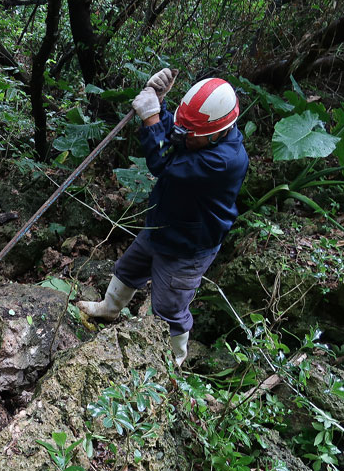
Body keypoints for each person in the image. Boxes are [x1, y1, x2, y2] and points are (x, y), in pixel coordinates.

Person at [77, 69, 249, 366]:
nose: (184, 136)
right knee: (127, 269)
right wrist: (160, 104)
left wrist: (151, 118)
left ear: (219, 132)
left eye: (191, 133)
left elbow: (165, 163)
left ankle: (174, 361)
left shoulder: (225, 161)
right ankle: (108, 307)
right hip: (163, 225)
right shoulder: (204, 138)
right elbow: (177, 136)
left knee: (169, 306)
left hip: (188, 245)